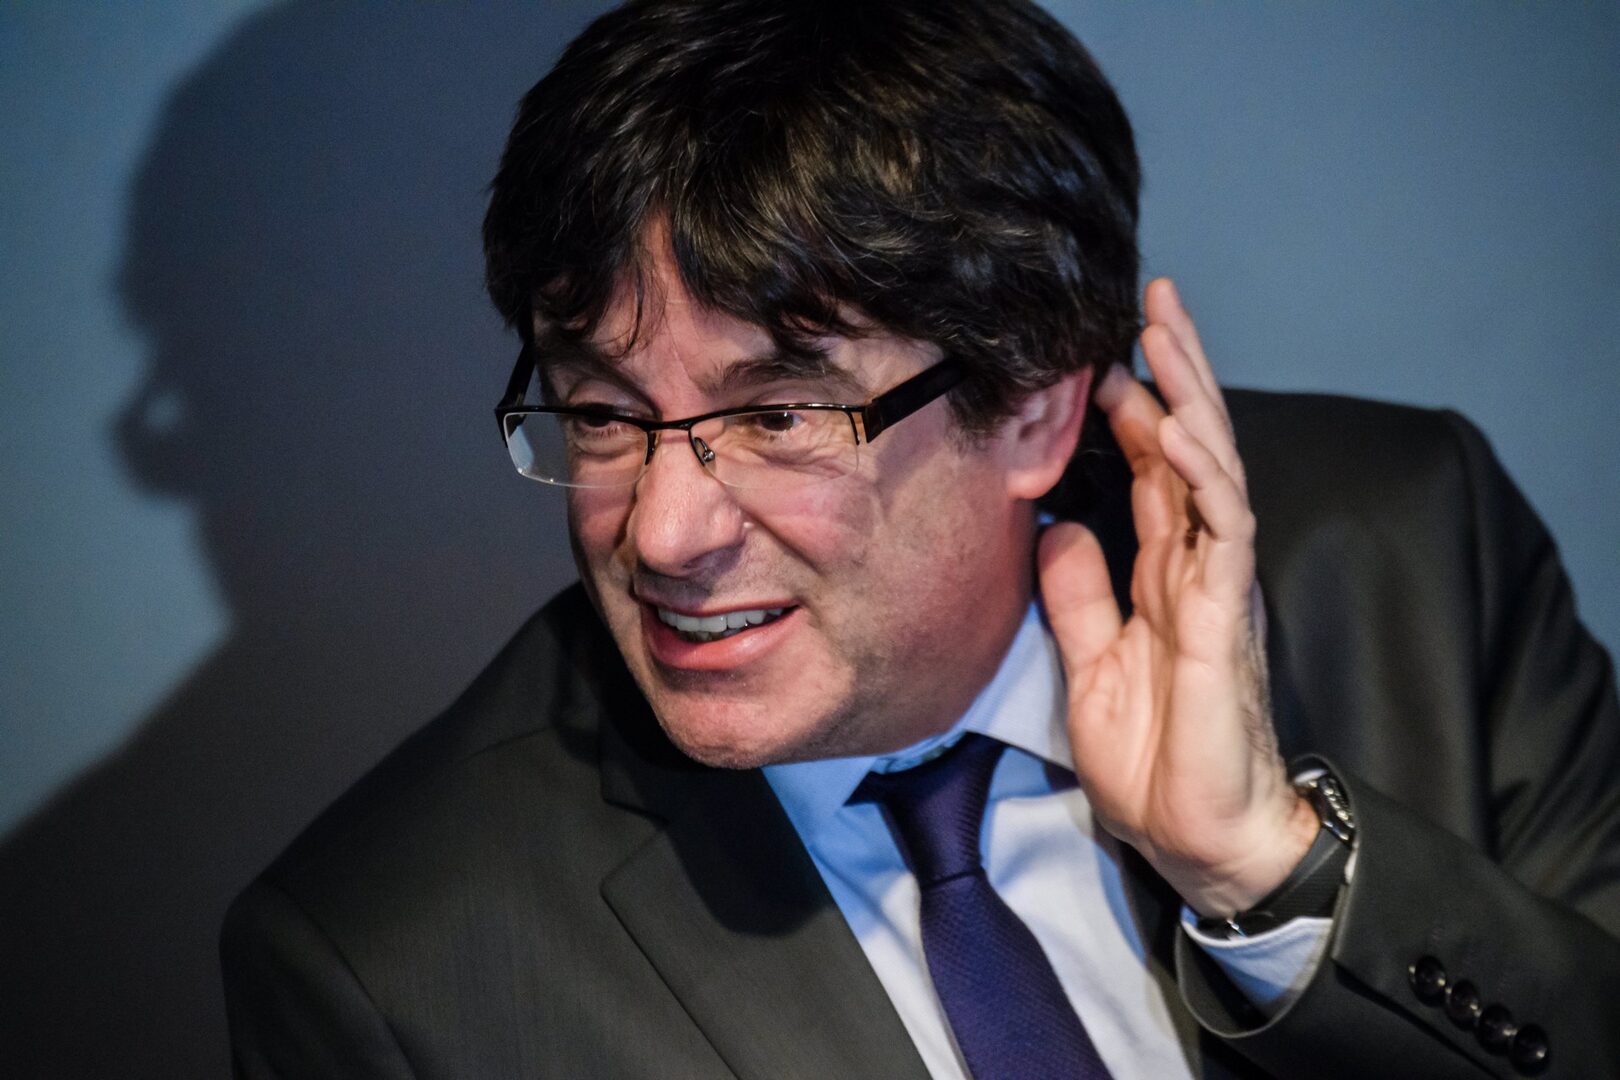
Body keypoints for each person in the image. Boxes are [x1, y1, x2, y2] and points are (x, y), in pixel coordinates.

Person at [220, 1, 1620, 1077]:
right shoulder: (392, 967)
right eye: (600, 412)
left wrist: (1271, 876)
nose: (662, 533)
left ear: (1036, 406)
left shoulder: (1412, 554)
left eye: (777, 415)